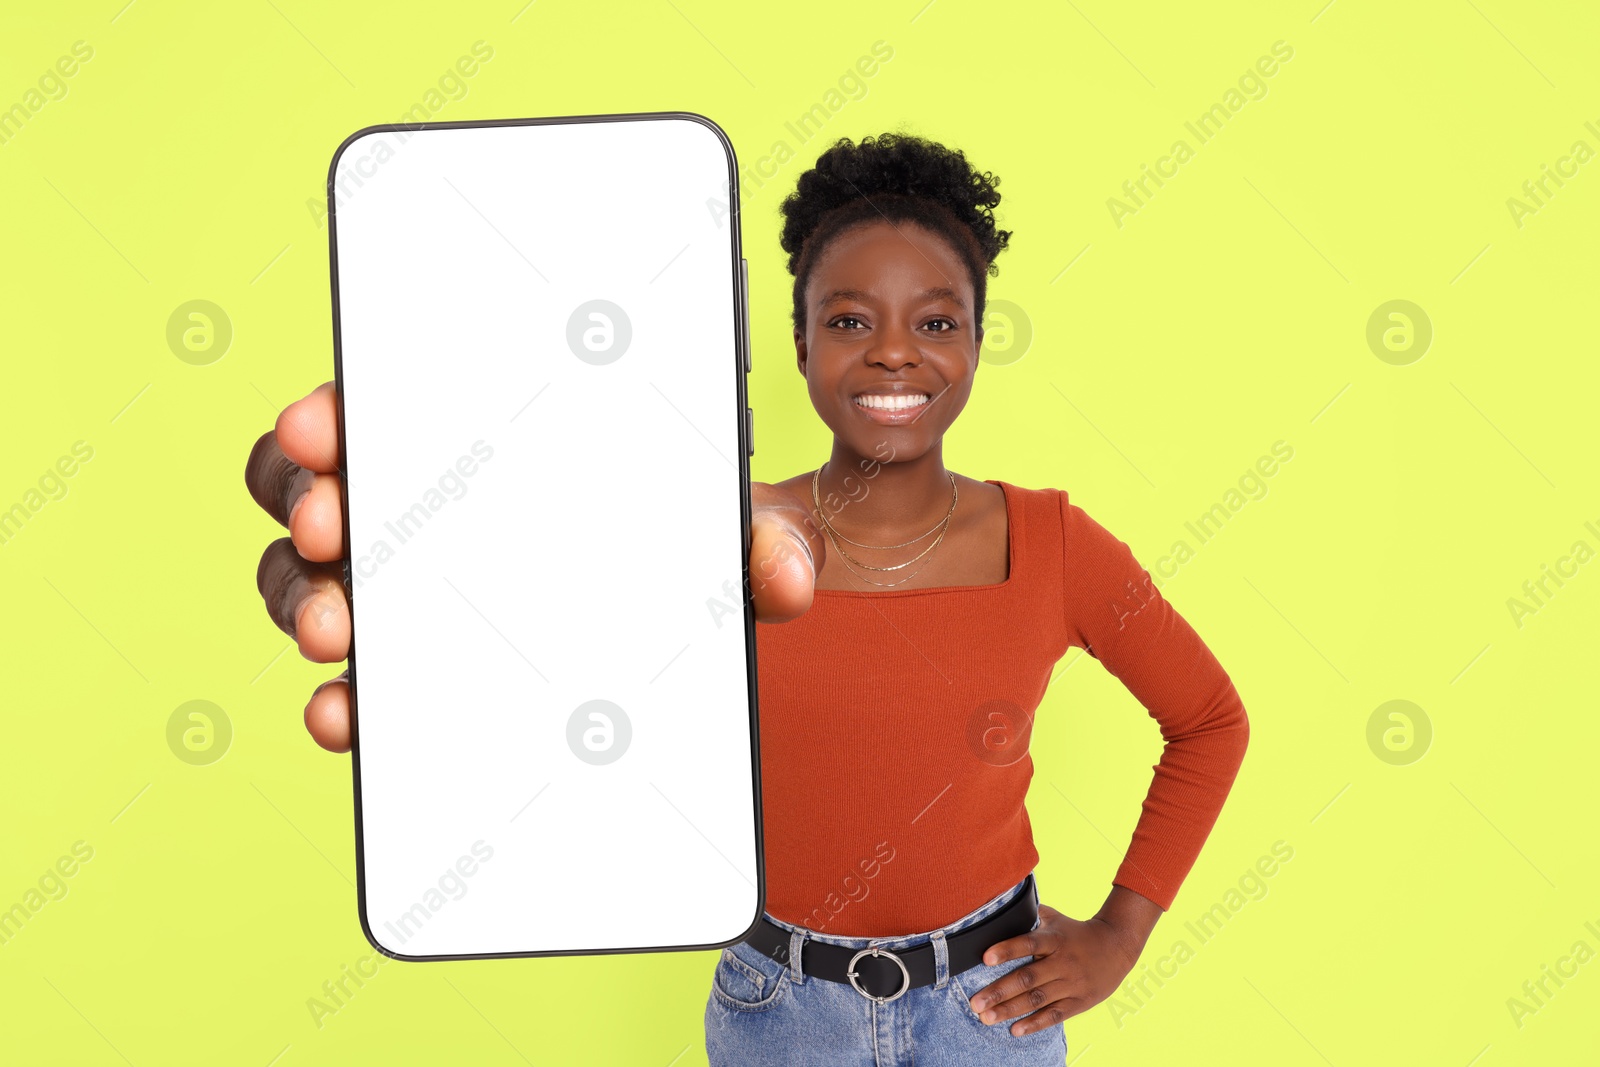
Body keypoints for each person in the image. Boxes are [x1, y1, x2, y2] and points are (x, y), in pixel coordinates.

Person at [245, 131, 1249, 1066]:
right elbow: (555, 611)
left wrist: (1120, 933)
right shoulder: (721, 531)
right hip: (779, 1006)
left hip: (987, 1009)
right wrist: (416, 510)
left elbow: (1209, 718)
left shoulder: (1054, 543)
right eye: (850, 320)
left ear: (977, 342)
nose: (894, 351)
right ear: (800, 344)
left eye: (935, 320)